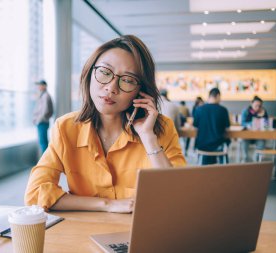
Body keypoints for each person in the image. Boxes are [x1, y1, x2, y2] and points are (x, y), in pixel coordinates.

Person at [25, 35, 186, 213]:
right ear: (89, 74)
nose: (111, 87)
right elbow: (35, 194)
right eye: (105, 72)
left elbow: (177, 199)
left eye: (127, 80)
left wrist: (148, 137)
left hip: (142, 234)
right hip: (83, 234)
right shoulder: (66, 128)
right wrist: (107, 205)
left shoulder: (161, 129)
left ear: (140, 91)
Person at [193, 88, 230, 165]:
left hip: (202, 146)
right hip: (218, 146)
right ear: (218, 96)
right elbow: (227, 128)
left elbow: (195, 127)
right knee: (225, 143)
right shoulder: (223, 110)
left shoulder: (199, 109)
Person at [240, 96, 268, 162]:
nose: (258, 107)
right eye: (256, 105)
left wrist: (263, 119)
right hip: (247, 136)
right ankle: (245, 158)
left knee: (261, 142)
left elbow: (267, 125)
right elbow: (242, 123)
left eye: (260, 106)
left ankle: (256, 159)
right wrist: (252, 123)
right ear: (251, 104)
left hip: (259, 136)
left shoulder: (263, 112)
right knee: (244, 141)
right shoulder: (246, 111)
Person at [32, 80, 54, 154]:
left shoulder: (46, 96)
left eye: (40, 85)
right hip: (42, 122)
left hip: (42, 122)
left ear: (45, 86)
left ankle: (45, 163)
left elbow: (45, 111)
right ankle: (45, 162)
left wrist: (38, 120)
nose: (39, 87)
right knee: (43, 142)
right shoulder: (42, 95)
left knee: (43, 143)